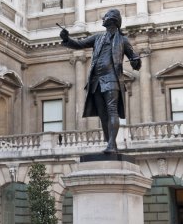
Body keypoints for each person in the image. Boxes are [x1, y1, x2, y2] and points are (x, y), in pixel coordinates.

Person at [59, 9, 141, 153]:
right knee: (103, 114)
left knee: (112, 111)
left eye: (106, 17)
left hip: (112, 79)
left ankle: (111, 144)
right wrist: (66, 39)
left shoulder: (122, 40)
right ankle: (110, 144)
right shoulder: (98, 38)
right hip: (96, 81)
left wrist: (136, 61)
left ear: (114, 20)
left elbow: (135, 61)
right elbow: (79, 44)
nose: (103, 19)